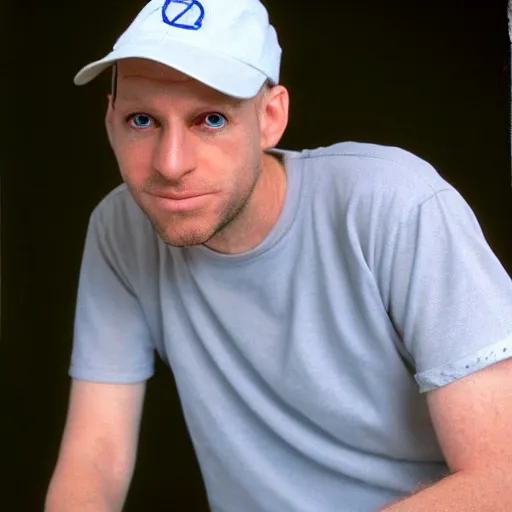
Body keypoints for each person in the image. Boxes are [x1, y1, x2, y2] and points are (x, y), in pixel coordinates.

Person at [45, 0, 512, 511]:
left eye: (211, 119)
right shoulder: (120, 228)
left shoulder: (395, 205)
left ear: (270, 118)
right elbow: (96, 457)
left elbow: (501, 477)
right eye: (142, 120)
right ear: (110, 121)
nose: (171, 165)